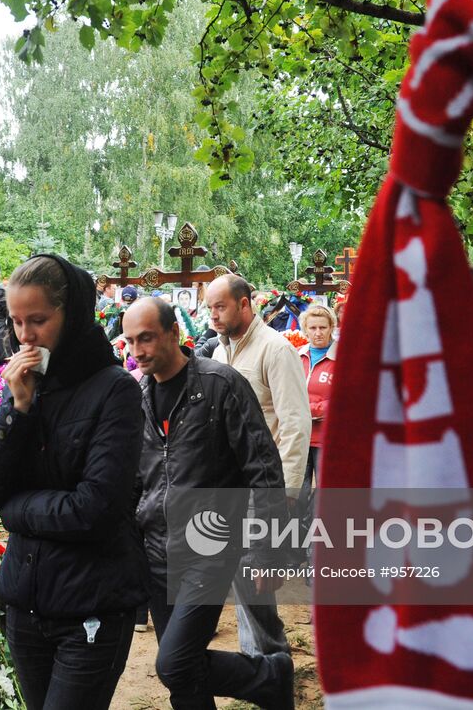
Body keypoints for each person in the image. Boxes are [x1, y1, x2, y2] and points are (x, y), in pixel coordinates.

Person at [0, 254, 148, 710]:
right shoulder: (24, 385)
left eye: (39, 321)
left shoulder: (115, 390)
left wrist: (17, 509)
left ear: (73, 314)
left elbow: (95, 509)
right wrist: (18, 409)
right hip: (25, 604)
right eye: (17, 321)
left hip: (93, 604)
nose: (25, 336)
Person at [122, 297, 294, 710]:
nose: (137, 351)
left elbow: (263, 469)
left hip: (209, 549)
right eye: (129, 341)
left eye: (146, 338)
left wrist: (267, 550)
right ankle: (271, 679)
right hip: (155, 554)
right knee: (185, 673)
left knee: (175, 662)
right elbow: (135, 479)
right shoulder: (137, 396)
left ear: (173, 334)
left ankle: (269, 675)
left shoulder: (221, 385)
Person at [202, 274, 310, 658]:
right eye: (209, 307)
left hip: (263, 487)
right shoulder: (218, 353)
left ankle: (270, 663)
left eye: (221, 307)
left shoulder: (275, 350)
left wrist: (288, 493)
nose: (213, 315)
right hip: (225, 486)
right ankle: (260, 662)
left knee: (255, 579)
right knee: (233, 576)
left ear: (245, 304)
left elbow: (295, 425)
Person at [297, 304, 338, 509]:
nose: (318, 333)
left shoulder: (341, 358)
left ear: (332, 327)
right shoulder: (296, 356)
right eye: (312, 328)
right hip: (300, 436)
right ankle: (297, 536)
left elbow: (344, 397)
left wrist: (311, 409)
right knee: (298, 492)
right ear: (305, 329)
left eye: (323, 327)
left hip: (326, 438)